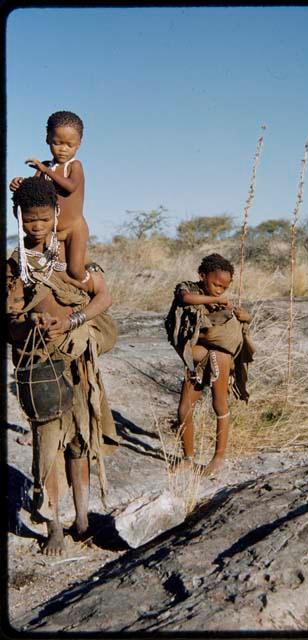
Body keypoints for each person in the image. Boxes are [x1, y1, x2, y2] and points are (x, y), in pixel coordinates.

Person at [7, 177, 118, 556]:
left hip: (76, 361)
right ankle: (54, 523)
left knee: (79, 442)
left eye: (42, 219)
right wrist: (28, 324)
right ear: (16, 216)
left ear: (56, 214)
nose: (35, 227)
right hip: (39, 365)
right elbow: (8, 320)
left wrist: (71, 322)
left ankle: (83, 519)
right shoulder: (14, 267)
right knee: (48, 446)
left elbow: (102, 295)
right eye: (28, 220)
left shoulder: (72, 257)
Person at [165, 253, 255, 476]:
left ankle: (218, 457)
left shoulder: (220, 303)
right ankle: (188, 458)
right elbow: (185, 300)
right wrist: (214, 300)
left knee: (219, 404)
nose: (218, 290)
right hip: (195, 359)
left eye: (223, 288)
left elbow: (242, 318)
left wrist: (245, 316)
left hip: (219, 357)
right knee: (185, 407)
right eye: (215, 284)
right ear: (202, 276)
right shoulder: (188, 288)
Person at [9, 110, 92, 288]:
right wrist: (19, 184)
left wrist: (46, 171)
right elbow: (33, 190)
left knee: (75, 270)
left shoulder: (75, 166)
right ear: (47, 139)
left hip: (74, 228)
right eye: (57, 143)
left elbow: (70, 187)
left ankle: (94, 290)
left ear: (79, 144)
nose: (63, 149)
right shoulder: (44, 167)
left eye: (70, 145)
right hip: (51, 230)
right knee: (34, 261)